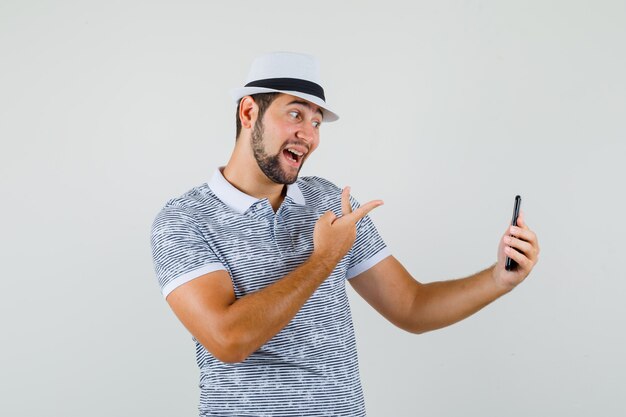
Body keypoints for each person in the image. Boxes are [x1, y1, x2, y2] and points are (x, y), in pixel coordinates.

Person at [150, 52, 540, 417]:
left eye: (316, 122)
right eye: (295, 114)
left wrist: (497, 279)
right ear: (249, 111)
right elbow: (228, 339)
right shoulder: (184, 220)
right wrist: (324, 259)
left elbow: (412, 306)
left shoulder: (330, 201)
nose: (309, 134)